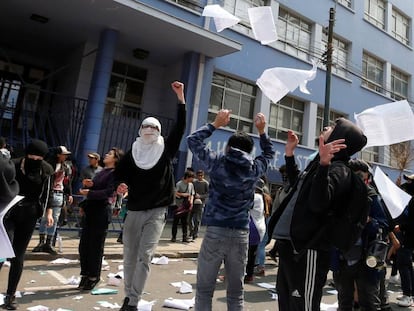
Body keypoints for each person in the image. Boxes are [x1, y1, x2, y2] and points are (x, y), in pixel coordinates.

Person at [269, 117, 367, 311]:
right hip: (291, 245)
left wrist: (323, 166)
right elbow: (300, 188)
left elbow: (318, 203)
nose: (326, 128)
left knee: (303, 304)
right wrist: (289, 154)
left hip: (309, 249)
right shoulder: (321, 164)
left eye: (332, 127)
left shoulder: (340, 170)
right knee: (286, 302)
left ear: (340, 138)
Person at [187, 109, 274, 310]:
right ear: (249, 150)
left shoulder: (218, 162)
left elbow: (193, 140)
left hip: (216, 231)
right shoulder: (254, 169)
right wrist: (262, 131)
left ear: (228, 147)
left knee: (204, 290)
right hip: (241, 234)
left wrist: (215, 124)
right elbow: (269, 153)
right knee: (236, 294)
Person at [114, 81, 186, 311]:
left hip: (157, 211)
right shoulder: (132, 153)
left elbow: (180, 128)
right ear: (140, 129)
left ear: (159, 132)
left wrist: (180, 98)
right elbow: (119, 175)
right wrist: (121, 185)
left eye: (154, 128)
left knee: (145, 256)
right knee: (129, 256)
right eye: (146, 126)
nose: (150, 130)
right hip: (134, 210)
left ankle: (133, 301)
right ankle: (128, 294)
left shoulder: (166, 150)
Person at [0, 139, 54, 310]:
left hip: (29, 214)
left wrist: (48, 212)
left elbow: (48, 193)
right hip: (9, 212)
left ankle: (10, 296)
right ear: (26, 153)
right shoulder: (13, 165)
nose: (35, 160)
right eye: (32, 156)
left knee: (18, 256)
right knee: (2, 251)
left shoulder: (46, 169)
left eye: (39, 158)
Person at [332, 159, 389, 311]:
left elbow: (383, 224)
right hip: (343, 257)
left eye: (363, 177)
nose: (360, 180)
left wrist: (369, 222)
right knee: (344, 302)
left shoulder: (371, 196)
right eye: (354, 176)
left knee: (369, 303)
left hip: (366, 259)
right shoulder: (339, 195)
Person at [77, 147, 124, 291]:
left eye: (110, 154)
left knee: (95, 246)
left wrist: (90, 192)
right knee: (84, 245)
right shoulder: (101, 171)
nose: (106, 155)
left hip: (101, 211)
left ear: (115, 159)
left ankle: (93, 276)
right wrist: (90, 184)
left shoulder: (115, 173)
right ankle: (85, 273)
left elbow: (109, 192)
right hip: (91, 210)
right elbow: (98, 186)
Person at [32, 146, 73, 255]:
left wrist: (69, 194)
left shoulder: (66, 167)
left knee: (54, 218)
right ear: (58, 154)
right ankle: (41, 242)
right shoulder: (48, 165)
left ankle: (48, 243)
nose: (66, 156)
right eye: (64, 154)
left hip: (59, 194)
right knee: (45, 218)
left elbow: (67, 182)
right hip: (48, 193)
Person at [245, 179, 266, 283]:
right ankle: (249, 275)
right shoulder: (261, 197)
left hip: (254, 228)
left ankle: (248, 275)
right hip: (258, 227)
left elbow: (243, 205)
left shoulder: (256, 197)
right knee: (251, 253)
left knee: (248, 254)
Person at [171, 170, 195, 243]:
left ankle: (184, 237)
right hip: (178, 205)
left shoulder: (191, 185)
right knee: (176, 221)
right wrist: (182, 194)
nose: (192, 179)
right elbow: (174, 193)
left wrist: (191, 202)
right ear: (187, 177)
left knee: (185, 222)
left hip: (186, 205)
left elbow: (192, 194)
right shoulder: (179, 184)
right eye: (191, 178)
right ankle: (174, 237)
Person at [190, 169, 209, 240]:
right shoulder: (194, 182)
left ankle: (195, 234)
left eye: (201, 176)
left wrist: (200, 196)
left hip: (201, 203)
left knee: (197, 219)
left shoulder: (205, 183)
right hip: (192, 201)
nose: (200, 177)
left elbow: (208, 193)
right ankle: (191, 231)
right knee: (189, 218)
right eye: (198, 175)